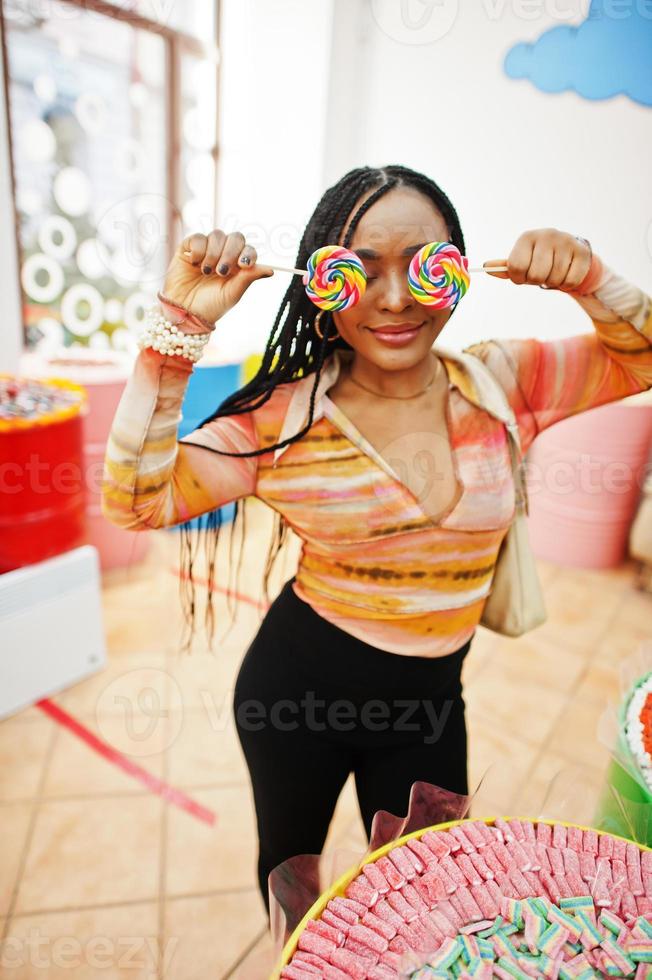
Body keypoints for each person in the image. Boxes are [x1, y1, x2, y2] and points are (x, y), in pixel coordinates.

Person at [101, 165, 652, 915]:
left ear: (457, 271)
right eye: (358, 271)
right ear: (318, 283)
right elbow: (135, 501)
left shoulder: (504, 381)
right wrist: (180, 328)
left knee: (428, 899)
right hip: (293, 699)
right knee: (294, 884)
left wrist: (588, 275)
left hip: (429, 708)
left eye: (423, 266)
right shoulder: (280, 422)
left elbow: (641, 353)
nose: (394, 298)